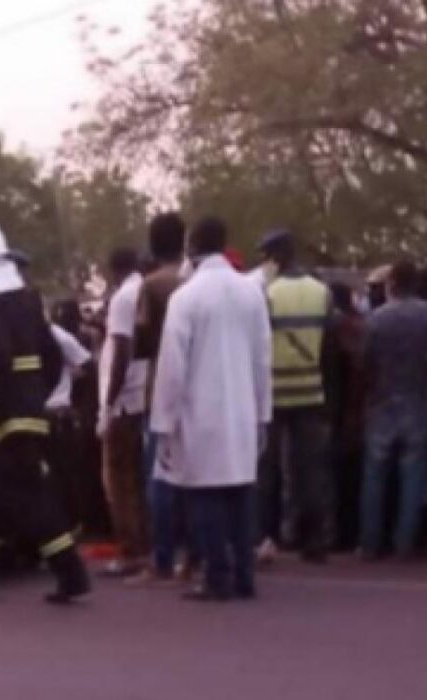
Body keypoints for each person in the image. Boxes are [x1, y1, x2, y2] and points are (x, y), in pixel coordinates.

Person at [0, 220, 89, 604]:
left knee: (31, 498)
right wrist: (35, 396)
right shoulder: (26, 298)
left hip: (3, 419)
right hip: (26, 415)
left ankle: (71, 572)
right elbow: (51, 355)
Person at [152, 216, 272, 601]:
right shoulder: (251, 293)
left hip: (200, 412)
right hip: (242, 409)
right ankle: (244, 577)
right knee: (240, 495)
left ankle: (217, 577)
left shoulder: (186, 298)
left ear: (191, 246)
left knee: (205, 497)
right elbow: (262, 359)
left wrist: (164, 421)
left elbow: (172, 368)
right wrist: (262, 414)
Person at [359, 260, 427, 559]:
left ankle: (370, 542)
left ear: (392, 283)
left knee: (375, 474)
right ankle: (404, 542)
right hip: (417, 400)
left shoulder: (376, 319)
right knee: (413, 475)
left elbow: (365, 361)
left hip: (382, 401)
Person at [257, 229, 333, 563]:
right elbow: (329, 346)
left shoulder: (266, 293)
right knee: (310, 471)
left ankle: (266, 539)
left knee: (267, 471)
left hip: (273, 394)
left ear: (274, 257)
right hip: (311, 393)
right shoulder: (321, 292)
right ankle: (313, 541)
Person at [134, 212, 195, 582]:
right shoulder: (193, 280)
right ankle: (193, 558)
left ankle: (161, 559)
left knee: (159, 477)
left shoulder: (152, 285)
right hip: (197, 387)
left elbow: (141, 342)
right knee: (195, 477)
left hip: (159, 387)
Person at [96, 247, 152, 577]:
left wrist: (108, 404)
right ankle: (144, 544)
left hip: (123, 401)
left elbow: (122, 351)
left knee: (118, 480)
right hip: (143, 394)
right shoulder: (145, 290)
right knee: (138, 479)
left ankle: (130, 551)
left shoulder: (122, 299)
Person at [324, 282, 367, 552]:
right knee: (350, 475)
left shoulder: (337, 329)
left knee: (335, 475)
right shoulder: (360, 325)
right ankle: (349, 533)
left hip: (338, 410)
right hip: (353, 410)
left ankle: (338, 535)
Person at [46, 319, 92, 529]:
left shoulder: (57, 335)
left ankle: (69, 525)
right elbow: (86, 364)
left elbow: (87, 364)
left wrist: (67, 381)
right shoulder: (55, 335)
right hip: (42, 414)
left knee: (62, 475)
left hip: (55, 414)